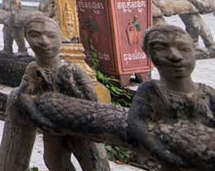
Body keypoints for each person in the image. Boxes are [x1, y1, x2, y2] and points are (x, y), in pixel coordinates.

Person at [19, 16, 109, 170]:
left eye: (51, 36)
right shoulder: (32, 69)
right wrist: (41, 118)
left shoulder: (73, 70)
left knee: (94, 163)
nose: (44, 42)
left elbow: (92, 101)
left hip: (81, 127)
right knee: (54, 161)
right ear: (26, 38)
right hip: (52, 127)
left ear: (60, 38)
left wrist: (72, 92)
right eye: (35, 35)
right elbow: (25, 96)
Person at [128, 25, 215, 171]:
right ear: (148, 54)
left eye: (184, 49)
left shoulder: (207, 92)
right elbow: (137, 123)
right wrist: (160, 152)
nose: (175, 56)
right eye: (161, 48)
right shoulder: (150, 90)